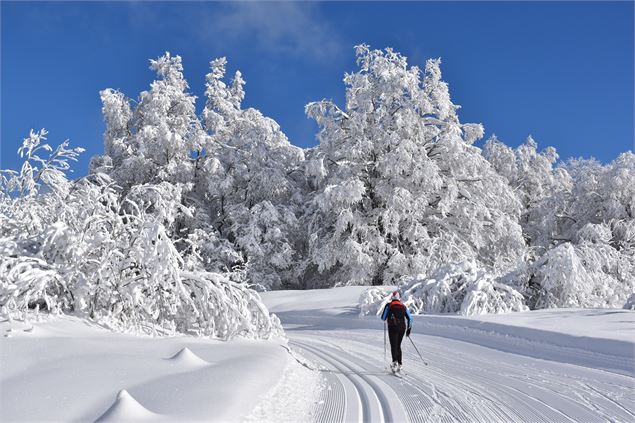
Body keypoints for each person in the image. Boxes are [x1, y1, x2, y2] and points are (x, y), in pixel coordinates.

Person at [380, 291, 412, 373]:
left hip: (392, 327)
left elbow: (383, 317)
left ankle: (394, 363)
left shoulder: (389, 305)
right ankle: (400, 364)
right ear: (398, 298)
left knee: (393, 345)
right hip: (402, 328)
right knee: (398, 345)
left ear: (392, 297)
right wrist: (409, 329)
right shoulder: (403, 306)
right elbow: (410, 318)